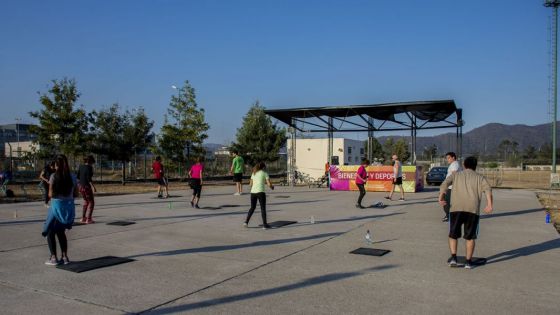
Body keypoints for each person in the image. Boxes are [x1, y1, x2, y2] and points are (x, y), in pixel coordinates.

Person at [439, 156, 493, 269]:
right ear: (475, 166)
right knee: (470, 237)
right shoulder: (480, 177)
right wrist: (489, 204)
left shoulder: (456, 175)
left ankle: (454, 258)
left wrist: (441, 196)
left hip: (456, 208)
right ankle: (468, 262)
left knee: (453, 234)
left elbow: (444, 184)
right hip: (472, 210)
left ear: (464, 165)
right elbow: (488, 190)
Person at [42, 154, 76, 266]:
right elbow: (75, 193)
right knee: (61, 232)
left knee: (50, 231)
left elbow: (51, 194)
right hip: (68, 209)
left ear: (57, 165)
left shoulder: (54, 176)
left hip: (56, 208)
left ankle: (53, 258)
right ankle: (65, 256)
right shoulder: (72, 176)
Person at [244, 162, 274, 230]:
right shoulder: (264, 173)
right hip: (261, 192)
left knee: (252, 207)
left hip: (253, 193)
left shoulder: (253, 173)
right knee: (263, 208)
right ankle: (265, 225)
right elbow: (269, 184)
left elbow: (250, 184)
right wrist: (272, 187)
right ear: (263, 167)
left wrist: (253, 189)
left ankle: (246, 222)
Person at [441, 152, 462, 222]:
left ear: (453, 157)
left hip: (452, 188)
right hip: (450, 187)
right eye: (447, 158)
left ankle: (449, 216)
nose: (447, 159)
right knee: (448, 202)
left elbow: (454, 174)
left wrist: (450, 183)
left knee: (446, 202)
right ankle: (449, 215)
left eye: (449, 158)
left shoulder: (454, 164)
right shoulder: (454, 164)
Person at [77, 155, 97, 223]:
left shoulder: (81, 166)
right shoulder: (89, 167)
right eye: (92, 162)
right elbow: (89, 178)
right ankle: (89, 219)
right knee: (91, 202)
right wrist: (93, 187)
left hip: (80, 186)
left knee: (86, 201)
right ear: (91, 161)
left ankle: (83, 218)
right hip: (86, 187)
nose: (92, 164)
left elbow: (78, 177)